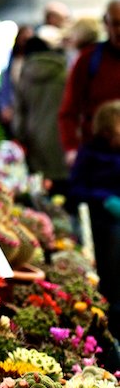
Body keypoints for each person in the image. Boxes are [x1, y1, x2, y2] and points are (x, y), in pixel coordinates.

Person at [68, 100, 120, 336]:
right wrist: (104, 199)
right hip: (99, 221)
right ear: (108, 129)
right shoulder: (89, 153)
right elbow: (75, 189)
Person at [58, 0, 120, 167]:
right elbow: (68, 111)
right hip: (96, 159)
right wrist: (71, 148)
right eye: (115, 23)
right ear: (106, 23)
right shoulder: (88, 60)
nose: (119, 30)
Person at [12, 28, 69, 194]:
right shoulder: (64, 72)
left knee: (40, 194)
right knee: (62, 192)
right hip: (62, 139)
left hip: (35, 140)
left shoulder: (25, 75)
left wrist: (20, 137)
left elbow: (19, 113)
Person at [0, 24, 34, 128]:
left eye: (28, 40)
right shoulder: (12, 61)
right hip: (12, 109)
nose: (25, 42)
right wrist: (4, 107)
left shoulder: (34, 61)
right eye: (23, 39)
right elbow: (5, 86)